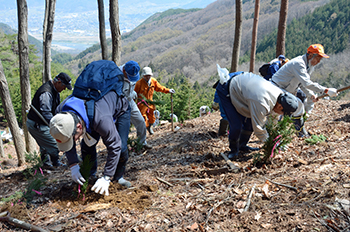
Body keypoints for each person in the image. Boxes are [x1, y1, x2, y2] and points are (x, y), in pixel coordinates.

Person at [50, 88, 131, 196]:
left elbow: (115, 146)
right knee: (87, 146)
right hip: (89, 116)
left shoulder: (101, 120)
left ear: (79, 127)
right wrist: (73, 164)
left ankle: (118, 178)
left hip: (119, 110)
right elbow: (67, 137)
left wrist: (107, 176)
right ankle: (91, 176)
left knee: (121, 147)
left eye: (73, 138)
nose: (74, 141)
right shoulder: (60, 117)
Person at [216, 72, 299, 160]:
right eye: (283, 113)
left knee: (249, 122)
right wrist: (272, 144)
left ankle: (242, 145)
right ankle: (233, 150)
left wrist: (277, 140)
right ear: (280, 106)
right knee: (236, 125)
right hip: (227, 89)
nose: (282, 115)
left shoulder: (280, 98)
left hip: (245, 91)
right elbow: (259, 129)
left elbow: (273, 121)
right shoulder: (262, 102)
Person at [271, 44, 338, 136]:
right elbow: (307, 83)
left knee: (279, 113)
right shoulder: (299, 64)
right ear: (310, 55)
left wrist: (311, 94)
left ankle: (295, 133)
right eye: (318, 58)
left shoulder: (309, 66)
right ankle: (279, 137)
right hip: (276, 88)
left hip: (284, 90)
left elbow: (301, 84)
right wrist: (326, 90)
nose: (318, 62)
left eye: (320, 59)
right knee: (278, 113)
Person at [27, 72, 72, 168]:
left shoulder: (56, 91)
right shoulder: (46, 93)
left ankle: (49, 164)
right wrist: (57, 126)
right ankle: (54, 163)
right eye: (64, 86)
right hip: (36, 124)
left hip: (43, 123)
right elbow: (46, 113)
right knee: (55, 144)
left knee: (45, 144)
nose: (64, 89)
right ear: (58, 82)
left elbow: (55, 110)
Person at [120, 61, 152, 150]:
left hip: (130, 102)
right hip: (119, 105)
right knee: (122, 127)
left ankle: (142, 143)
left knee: (141, 121)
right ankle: (121, 148)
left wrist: (132, 92)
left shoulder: (133, 72)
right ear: (124, 71)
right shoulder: (116, 76)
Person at [135, 67, 175, 135]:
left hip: (150, 102)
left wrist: (168, 90)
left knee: (152, 117)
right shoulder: (139, 83)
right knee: (143, 118)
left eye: (149, 75)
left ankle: (149, 127)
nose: (148, 77)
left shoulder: (153, 81)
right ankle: (144, 130)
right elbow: (134, 94)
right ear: (143, 75)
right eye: (146, 75)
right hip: (141, 103)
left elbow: (160, 88)